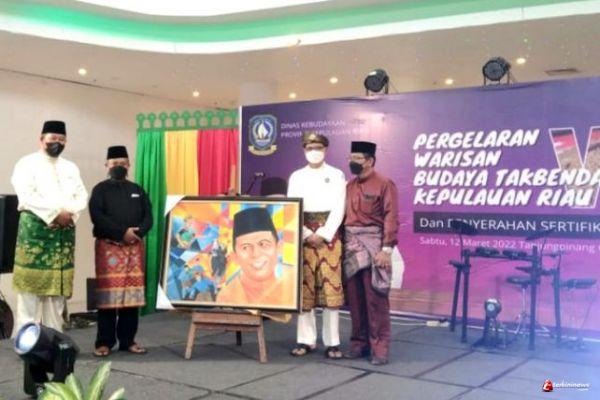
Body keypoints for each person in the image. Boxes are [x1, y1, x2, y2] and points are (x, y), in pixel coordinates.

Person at [11, 120, 88, 334]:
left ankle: (54, 338)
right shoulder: (26, 163)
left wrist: (70, 214)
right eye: (53, 138)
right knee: (29, 293)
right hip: (36, 234)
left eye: (62, 139)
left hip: (62, 235)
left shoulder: (70, 167)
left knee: (56, 294)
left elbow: (81, 195)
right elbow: (27, 195)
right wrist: (55, 214)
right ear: (41, 139)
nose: (58, 143)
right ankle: (27, 342)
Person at [89, 145, 153, 357]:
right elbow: (97, 217)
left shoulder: (137, 189)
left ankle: (128, 341)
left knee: (131, 297)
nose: (119, 166)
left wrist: (137, 233)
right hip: (109, 248)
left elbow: (148, 217)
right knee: (107, 297)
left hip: (134, 248)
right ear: (107, 165)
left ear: (129, 165)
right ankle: (104, 342)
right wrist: (122, 233)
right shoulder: (99, 190)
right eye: (115, 163)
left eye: (122, 163)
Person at [287, 132, 346, 359]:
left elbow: (339, 208)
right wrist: (305, 233)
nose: (314, 151)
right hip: (303, 235)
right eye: (310, 147)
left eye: (318, 147)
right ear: (304, 149)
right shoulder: (296, 176)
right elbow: (292, 207)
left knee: (331, 291)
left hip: (329, 237)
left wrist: (323, 233)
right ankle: (306, 340)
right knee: (305, 289)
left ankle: (332, 342)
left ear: (326, 149)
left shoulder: (337, 174)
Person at [343, 141, 398, 365]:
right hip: (351, 249)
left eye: (356, 158)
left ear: (370, 161)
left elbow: (391, 216)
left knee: (376, 301)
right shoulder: (349, 186)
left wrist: (386, 249)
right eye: (350, 158)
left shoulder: (385, 184)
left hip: (375, 249)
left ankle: (380, 349)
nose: (352, 162)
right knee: (355, 301)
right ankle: (359, 344)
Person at [216, 207, 295, 307]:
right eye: (245, 247)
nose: (256, 254)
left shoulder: (292, 289)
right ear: (235, 257)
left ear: (279, 247)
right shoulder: (226, 297)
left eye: (263, 244)